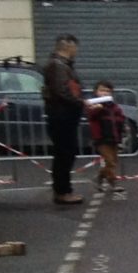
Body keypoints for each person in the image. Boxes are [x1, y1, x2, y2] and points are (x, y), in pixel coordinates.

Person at [41, 33, 84, 205]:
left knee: (66, 153)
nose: (77, 51)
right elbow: (62, 91)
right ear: (69, 47)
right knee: (64, 154)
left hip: (63, 115)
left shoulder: (61, 65)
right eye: (75, 47)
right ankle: (63, 191)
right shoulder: (57, 66)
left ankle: (63, 189)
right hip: (62, 116)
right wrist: (79, 102)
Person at [88, 81, 128, 197]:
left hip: (114, 137)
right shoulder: (94, 105)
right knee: (110, 161)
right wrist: (97, 108)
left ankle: (100, 178)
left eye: (107, 91)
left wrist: (123, 127)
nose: (104, 93)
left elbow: (120, 118)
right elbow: (91, 115)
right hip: (101, 138)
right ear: (96, 92)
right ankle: (111, 183)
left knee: (113, 161)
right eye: (102, 90)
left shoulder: (113, 106)